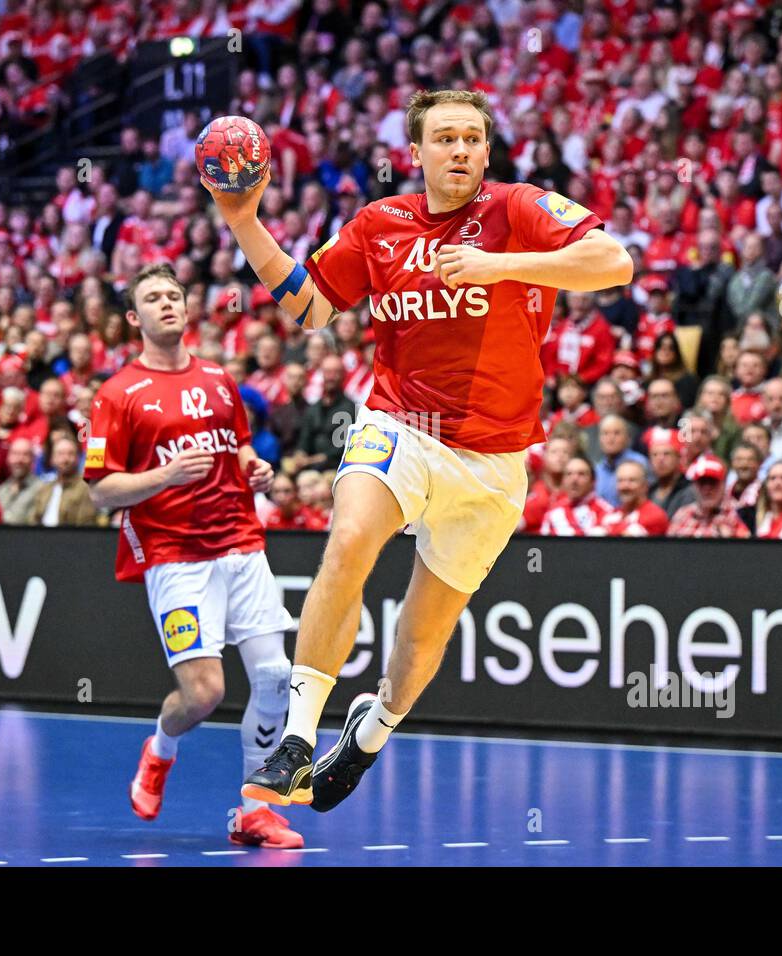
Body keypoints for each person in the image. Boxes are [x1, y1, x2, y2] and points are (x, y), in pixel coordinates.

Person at [203, 88, 632, 810]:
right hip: (400, 425)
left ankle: (372, 732)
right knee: (349, 540)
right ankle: (298, 742)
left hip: (493, 458)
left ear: (487, 152)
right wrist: (243, 222)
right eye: (445, 138)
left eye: (472, 138)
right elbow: (309, 307)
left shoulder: (518, 209)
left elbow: (614, 262)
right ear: (417, 153)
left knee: (423, 630)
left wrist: (500, 266)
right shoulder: (381, 224)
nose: (459, 149)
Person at [85, 263, 302, 849]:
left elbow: (242, 450)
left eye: (173, 295)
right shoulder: (116, 394)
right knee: (204, 694)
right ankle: (160, 749)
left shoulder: (218, 380)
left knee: (277, 675)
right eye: (152, 298)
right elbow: (101, 489)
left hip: (241, 542)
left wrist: (256, 471)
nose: (166, 304)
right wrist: (166, 474)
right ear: (134, 318)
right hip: (175, 555)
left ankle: (255, 810)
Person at [668, 457, 751, 538]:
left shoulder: (739, 513)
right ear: (694, 486)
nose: (707, 489)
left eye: (713, 482)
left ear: (724, 484)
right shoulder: (682, 514)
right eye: (702, 483)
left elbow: (747, 548)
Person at [29, 434, 98, 526]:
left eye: (70, 453)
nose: (66, 459)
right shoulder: (44, 489)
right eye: (60, 454)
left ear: (78, 458)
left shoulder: (86, 488)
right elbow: (33, 521)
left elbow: (85, 527)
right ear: (52, 459)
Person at [538, 455, 612, 535]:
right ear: (563, 481)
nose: (574, 480)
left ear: (593, 481)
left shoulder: (606, 511)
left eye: (581, 474)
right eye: (569, 474)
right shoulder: (553, 513)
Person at [600, 460, 669, 536]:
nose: (625, 486)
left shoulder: (655, 515)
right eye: (620, 481)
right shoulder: (611, 514)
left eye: (632, 480)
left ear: (645, 486)